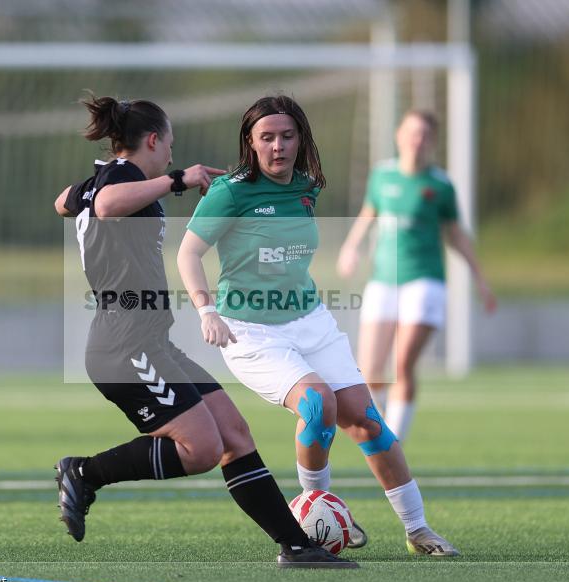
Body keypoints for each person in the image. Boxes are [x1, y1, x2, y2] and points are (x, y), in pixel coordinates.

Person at [53, 94, 355, 568]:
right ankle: (85, 473)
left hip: (150, 342)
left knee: (234, 433)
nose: (172, 155)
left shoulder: (102, 179)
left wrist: (88, 194)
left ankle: (298, 546)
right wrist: (176, 180)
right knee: (201, 449)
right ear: (153, 140)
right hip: (124, 346)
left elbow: (63, 202)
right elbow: (109, 204)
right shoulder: (122, 179)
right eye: (168, 145)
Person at [177, 95, 458, 556]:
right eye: (266, 137)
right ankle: (311, 516)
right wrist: (207, 310)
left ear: (301, 139)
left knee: (367, 421)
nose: (278, 146)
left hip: (310, 321)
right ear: (250, 142)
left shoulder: (308, 186)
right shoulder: (230, 191)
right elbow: (188, 254)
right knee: (316, 404)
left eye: (287, 136)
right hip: (249, 331)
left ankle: (418, 530)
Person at [336, 110, 497, 443]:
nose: (417, 139)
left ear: (432, 141)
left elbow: (456, 234)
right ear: (399, 136)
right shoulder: (382, 176)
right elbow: (369, 214)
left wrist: (479, 278)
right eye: (412, 132)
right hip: (383, 279)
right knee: (369, 369)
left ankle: (395, 442)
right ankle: (377, 435)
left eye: (424, 134)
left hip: (424, 280)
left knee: (402, 363)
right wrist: (350, 247)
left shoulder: (439, 185)